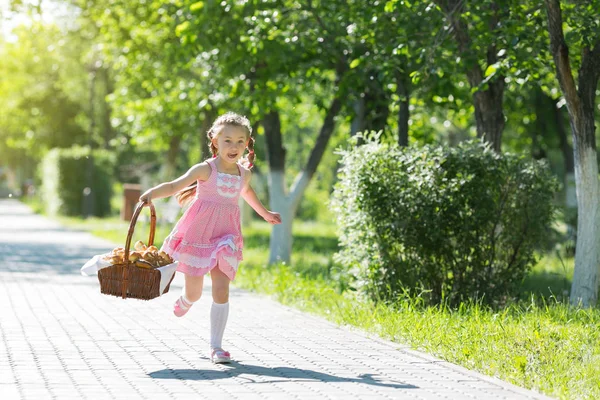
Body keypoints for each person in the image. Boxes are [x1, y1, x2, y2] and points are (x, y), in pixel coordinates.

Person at [139, 112, 281, 364]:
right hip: (200, 234)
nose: (234, 146)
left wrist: (266, 213)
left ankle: (217, 346)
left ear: (247, 144)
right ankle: (186, 300)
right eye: (227, 140)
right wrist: (152, 193)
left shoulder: (243, 174)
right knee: (195, 293)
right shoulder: (206, 169)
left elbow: (248, 195)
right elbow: (175, 185)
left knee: (221, 288)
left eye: (240, 141)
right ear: (215, 141)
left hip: (226, 235)